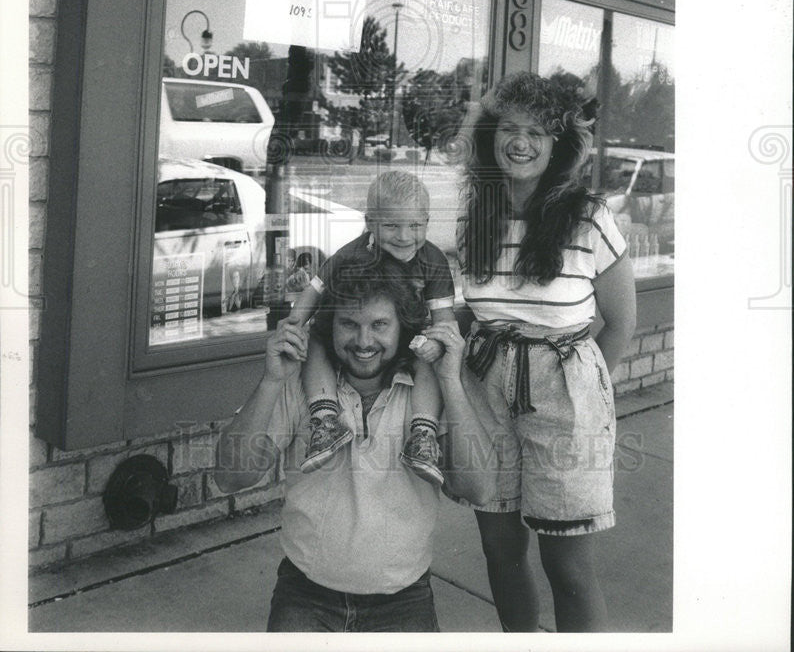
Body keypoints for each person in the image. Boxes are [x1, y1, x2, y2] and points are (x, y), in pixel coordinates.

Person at [456, 72, 637, 633]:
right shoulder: (476, 217)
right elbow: (474, 309)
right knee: (500, 549)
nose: (521, 142)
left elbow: (622, 321)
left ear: (559, 144)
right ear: (490, 136)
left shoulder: (589, 217)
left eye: (537, 131)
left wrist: (583, 389)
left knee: (569, 568)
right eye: (509, 128)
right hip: (483, 387)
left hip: (565, 394)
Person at [214, 273, 496, 632]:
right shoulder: (302, 381)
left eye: (380, 325)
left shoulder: (428, 389)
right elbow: (230, 476)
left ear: (402, 327)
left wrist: (452, 381)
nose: (364, 341)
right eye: (349, 324)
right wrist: (271, 381)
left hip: (404, 600)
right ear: (330, 327)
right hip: (305, 596)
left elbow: (481, 489)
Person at [285, 171, 456, 486]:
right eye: (391, 225)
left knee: (427, 361)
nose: (405, 236)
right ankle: (325, 420)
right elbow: (315, 291)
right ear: (370, 223)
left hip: (409, 337)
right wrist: (294, 324)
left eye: (416, 226)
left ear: (428, 222)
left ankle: (423, 435)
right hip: (354, 336)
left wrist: (439, 342)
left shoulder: (432, 259)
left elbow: (445, 320)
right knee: (316, 344)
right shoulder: (353, 252)